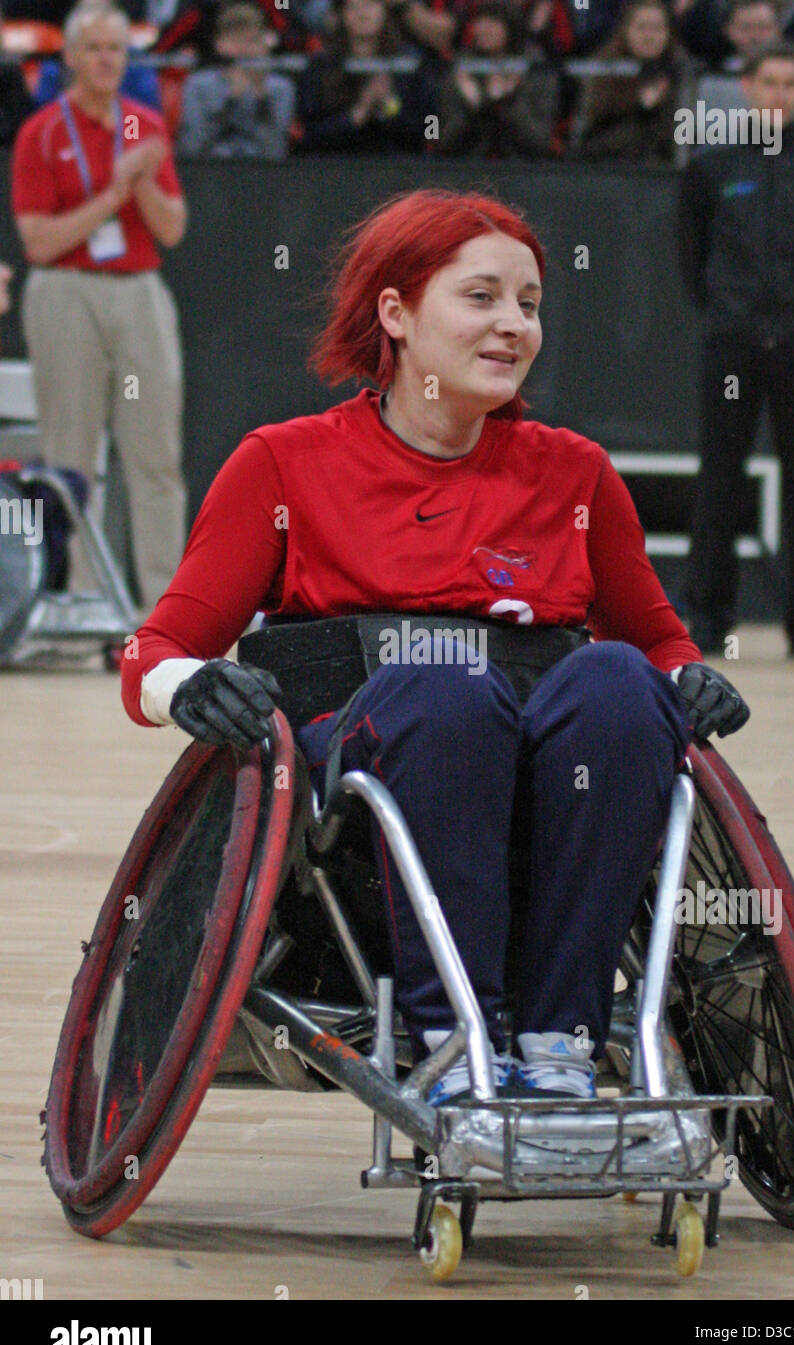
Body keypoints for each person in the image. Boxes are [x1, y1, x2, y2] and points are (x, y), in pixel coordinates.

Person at [120, 187, 749, 1104]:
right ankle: (452, 1034)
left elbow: (656, 640)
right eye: (483, 297)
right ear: (397, 312)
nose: (514, 326)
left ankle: (559, 1041)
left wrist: (690, 679)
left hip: (545, 766)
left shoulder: (575, 473)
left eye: (530, 304)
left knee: (616, 680)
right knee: (447, 690)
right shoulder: (284, 464)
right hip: (367, 775)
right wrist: (189, 686)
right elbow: (155, 648)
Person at [678, 41, 794, 659]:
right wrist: (734, 312)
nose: (779, 94)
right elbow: (692, 262)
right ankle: (705, 618)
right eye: (769, 82)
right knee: (720, 478)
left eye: (791, 83)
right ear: (748, 88)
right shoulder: (712, 168)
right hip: (733, 341)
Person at [11, 2, 187, 612]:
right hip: (65, 291)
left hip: (137, 288)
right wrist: (114, 190)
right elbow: (39, 242)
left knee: (156, 453)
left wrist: (139, 181)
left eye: (117, 48)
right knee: (70, 451)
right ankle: (78, 601)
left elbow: (172, 229)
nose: (108, 59)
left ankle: (166, 604)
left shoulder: (142, 125)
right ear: (71, 57)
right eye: (95, 49)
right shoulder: (44, 133)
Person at [295, 0, 434, 152]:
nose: (362, 14)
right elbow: (310, 136)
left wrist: (389, 105)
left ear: (384, 11)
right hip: (336, 165)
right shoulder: (321, 65)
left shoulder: (408, 63)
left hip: (396, 164)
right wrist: (359, 112)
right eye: (354, 7)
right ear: (342, 14)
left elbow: (424, 132)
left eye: (370, 5)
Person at [569, 0, 694, 163]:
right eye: (642, 27)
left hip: (663, 174)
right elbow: (587, 144)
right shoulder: (603, 69)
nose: (649, 36)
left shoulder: (681, 71)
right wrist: (640, 110)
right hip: (608, 171)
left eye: (657, 28)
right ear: (625, 31)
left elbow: (680, 144)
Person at [437, 0, 560, 156]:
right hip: (468, 169)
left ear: (511, 28)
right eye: (480, 22)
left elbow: (540, 142)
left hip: (522, 170)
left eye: (493, 23)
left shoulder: (536, 70)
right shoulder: (462, 68)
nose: (483, 29)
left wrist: (508, 103)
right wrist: (475, 107)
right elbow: (444, 142)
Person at [176, 1, 296, 158]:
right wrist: (230, 101)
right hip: (210, 173)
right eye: (236, 41)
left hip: (263, 175)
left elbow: (276, 151)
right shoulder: (198, 85)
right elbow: (191, 148)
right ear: (219, 44)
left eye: (252, 41)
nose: (244, 50)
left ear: (264, 44)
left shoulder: (280, 88)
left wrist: (262, 100)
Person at [693, 0, 794, 141]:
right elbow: (708, 135)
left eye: (763, 28)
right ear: (729, 31)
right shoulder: (714, 78)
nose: (755, 36)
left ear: (778, 30)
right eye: (745, 28)